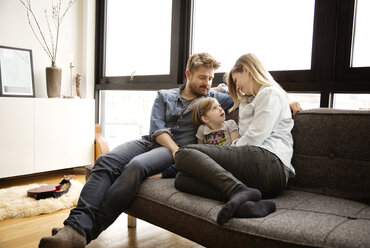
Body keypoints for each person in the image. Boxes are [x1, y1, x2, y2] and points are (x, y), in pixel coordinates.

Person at [38, 52, 234, 248]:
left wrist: (221, 87)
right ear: (188, 74)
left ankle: (79, 230)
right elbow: (156, 130)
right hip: (153, 142)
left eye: (210, 78)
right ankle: (76, 227)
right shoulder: (165, 95)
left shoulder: (213, 98)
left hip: (170, 153)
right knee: (105, 161)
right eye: (202, 77)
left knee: (136, 165)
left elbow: (238, 96)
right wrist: (175, 149)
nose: (207, 83)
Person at [174, 53, 296, 225]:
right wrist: (238, 98)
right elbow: (247, 135)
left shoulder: (270, 94)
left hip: (270, 163)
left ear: (246, 70)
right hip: (257, 173)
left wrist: (228, 150)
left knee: (183, 153)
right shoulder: (253, 99)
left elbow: (254, 138)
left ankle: (238, 190)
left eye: (237, 80)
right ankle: (245, 200)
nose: (238, 87)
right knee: (181, 179)